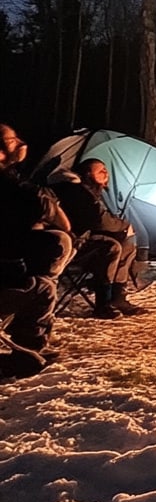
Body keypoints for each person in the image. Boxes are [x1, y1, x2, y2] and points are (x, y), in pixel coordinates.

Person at [0, 124, 69, 365]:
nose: (21, 143)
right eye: (13, 140)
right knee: (43, 285)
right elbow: (64, 223)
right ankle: (28, 347)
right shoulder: (20, 191)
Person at [56, 159, 145, 318]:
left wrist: (124, 230)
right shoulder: (79, 191)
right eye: (100, 171)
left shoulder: (93, 191)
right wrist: (124, 226)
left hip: (86, 237)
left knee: (128, 242)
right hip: (73, 243)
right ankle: (102, 303)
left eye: (106, 170)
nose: (106, 173)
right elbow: (99, 220)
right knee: (111, 247)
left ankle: (118, 297)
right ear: (88, 175)